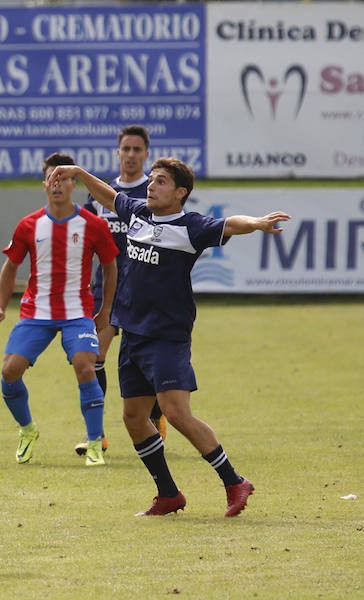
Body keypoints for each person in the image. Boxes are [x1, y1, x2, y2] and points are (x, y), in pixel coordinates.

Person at [49, 157, 290, 517]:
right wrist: (79, 174)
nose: (151, 186)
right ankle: (168, 494)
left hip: (166, 336)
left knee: (176, 413)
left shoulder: (191, 226)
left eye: (160, 182)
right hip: (132, 333)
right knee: (133, 418)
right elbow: (110, 195)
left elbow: (229, 224)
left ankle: (234, 481)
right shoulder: (137, 212)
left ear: (180, 193)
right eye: (151, 180)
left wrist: (255, 223)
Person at [0, 153, 118, 467]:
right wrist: (0, 307)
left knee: (86, 365)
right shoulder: (30, 225)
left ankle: (95, 443)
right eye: (51, 179)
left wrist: (106, 309)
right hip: (36, 312)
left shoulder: (93, 224)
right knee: (8, 372)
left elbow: (111, 267)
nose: (57, 185)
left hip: (77, 312)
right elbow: (10, 266)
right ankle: (28, 429)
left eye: (63, 178)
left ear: (74, 183)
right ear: (44, 184)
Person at [74, 124, 167, 457]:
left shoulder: (156, 191)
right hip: (108, 288)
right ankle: (96, 435)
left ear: (145, 153)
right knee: (93, 356)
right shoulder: (103, 193)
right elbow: (83, 235)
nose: (130, 155)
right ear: (118, 152)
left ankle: (156, 416)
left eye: (136, 150)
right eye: (125, 149)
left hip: (146, 290)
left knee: (147, 361)